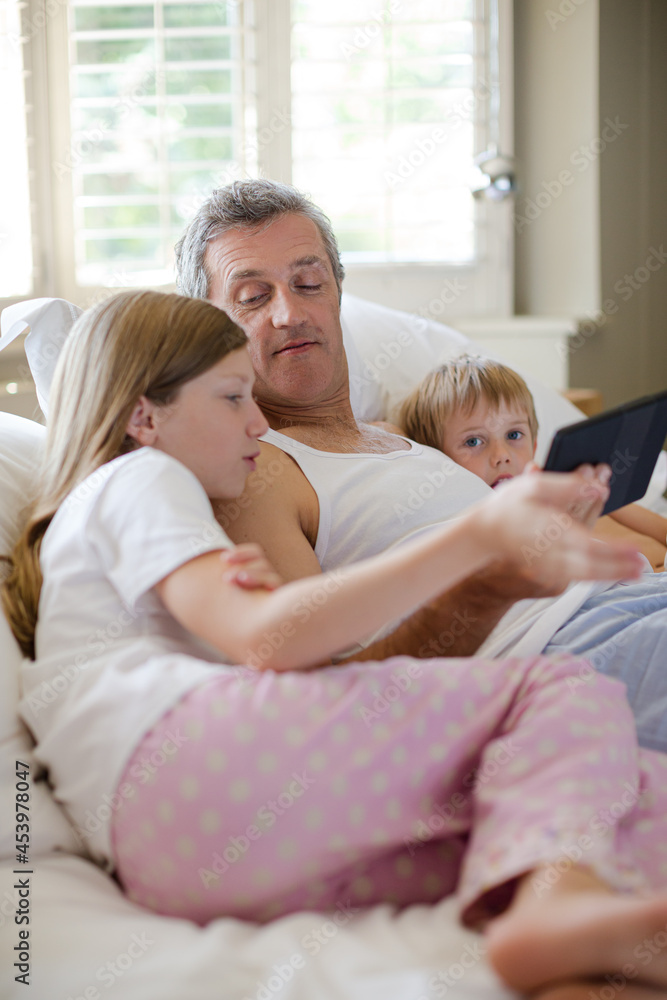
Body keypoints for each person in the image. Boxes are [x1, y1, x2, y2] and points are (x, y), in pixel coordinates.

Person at [4, 288, 667, 1000]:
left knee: (621, 795)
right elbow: (272, 641)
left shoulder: (119, 540)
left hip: (183, 852)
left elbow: (252, 637)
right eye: (232, 398)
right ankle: (560, 904)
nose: (259, 423)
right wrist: (475, 536)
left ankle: (568, 947)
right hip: (186, 771)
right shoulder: (140, 475)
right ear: (144, 415)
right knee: (556, 690)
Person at [174, 178, 667, 755]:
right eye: (254, 297)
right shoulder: (260, 473)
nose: (289, 313)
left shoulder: (410, 436)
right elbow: (329, 692)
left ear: (336, 292)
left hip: (631, 597)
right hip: (563, 650)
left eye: (309, 283)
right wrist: (483, 594)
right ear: (210, 325)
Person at [398, 354, 667, 571]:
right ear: (439, 458)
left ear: (535, 444)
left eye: (514, 435)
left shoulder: (570, 485)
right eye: (473, 441)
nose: (501, 454)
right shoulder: (487, 528)